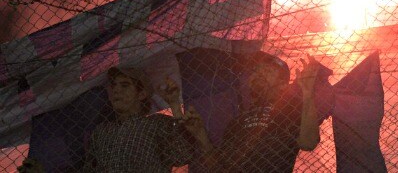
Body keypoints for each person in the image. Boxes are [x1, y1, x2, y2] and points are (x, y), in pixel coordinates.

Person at [179, 54, 321, 172]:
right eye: (256, 70)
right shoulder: (237, 121)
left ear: (283, 85)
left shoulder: (289, 109)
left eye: (268, 71)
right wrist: (200, 135)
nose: (259, 74)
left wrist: (307, 93)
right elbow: (217, 167)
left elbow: (308, 143)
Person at [83, 66, 194, 172]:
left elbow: (182, 156)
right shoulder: (101, 132)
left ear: (141, 94)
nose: (116, 90)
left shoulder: (156, 123)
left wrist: (174, 104)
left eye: (124, 85)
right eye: (113, 85)